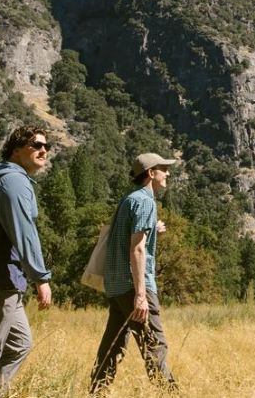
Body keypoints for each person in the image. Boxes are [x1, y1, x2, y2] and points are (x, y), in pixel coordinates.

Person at [0, 125, 53, 393]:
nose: (44, 150)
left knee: (19, 345)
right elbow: (25, 233)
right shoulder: (14, 182)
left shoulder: (3, 178)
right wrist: (41, 278)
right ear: (17, 151)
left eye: (47, 146)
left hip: (2, 282)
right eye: (36, 145)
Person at [89, 153, 177, 394]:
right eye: (163, 169)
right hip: (134, 287)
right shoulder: (146, 201)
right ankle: (170, 393)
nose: (167, 173)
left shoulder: (128, 199)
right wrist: (141, 295)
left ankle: (95, 391)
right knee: (154, 347)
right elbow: (137, 248)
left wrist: (152, 234)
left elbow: (127, 239)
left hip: (116, 286)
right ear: (151, 173)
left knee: (111, 348)